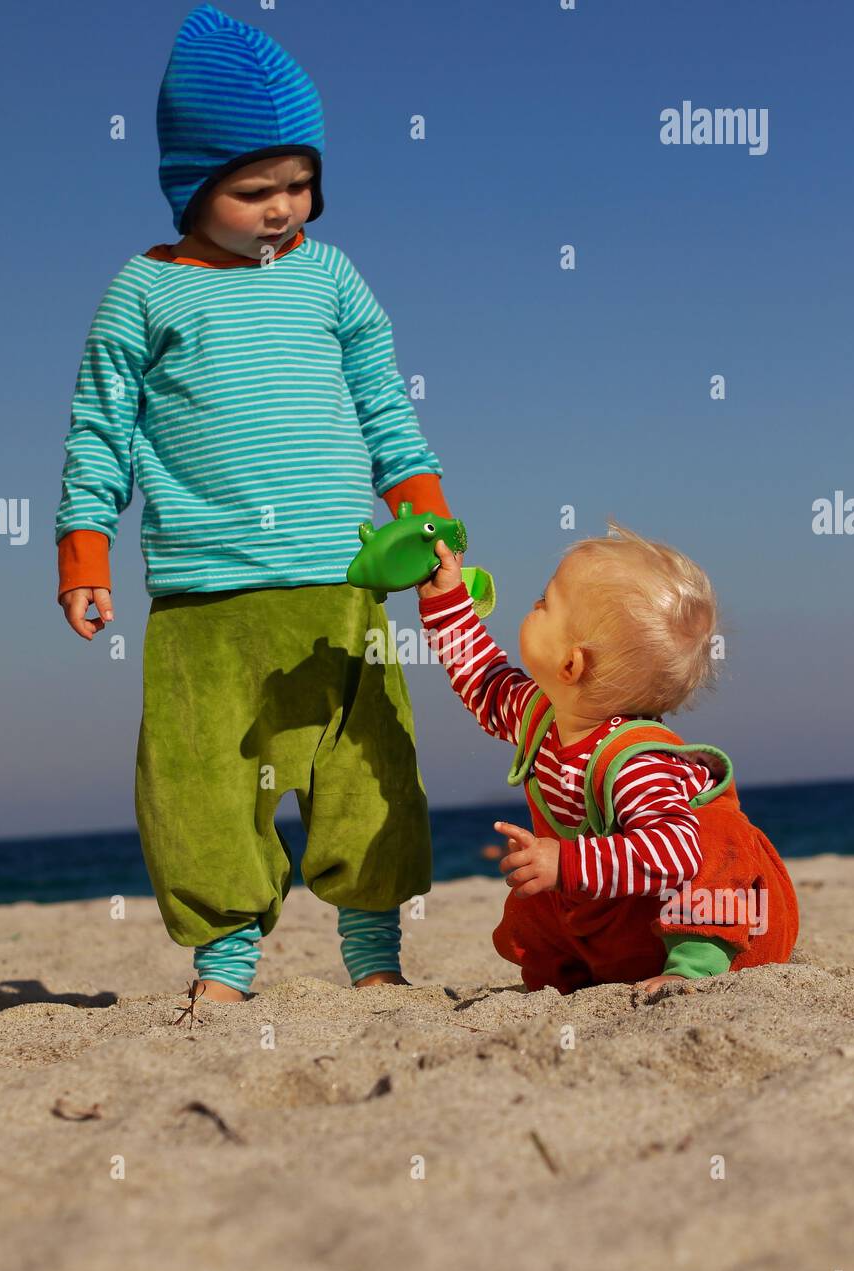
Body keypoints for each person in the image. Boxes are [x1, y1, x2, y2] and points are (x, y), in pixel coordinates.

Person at [55, 5, 452, 1004]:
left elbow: (386, 408)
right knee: (200, 787)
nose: (284, 207)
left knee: (368, 778)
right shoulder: (144, 292)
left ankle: (374, 959)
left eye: (300, 182)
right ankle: (225, 962)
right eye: (253, 189)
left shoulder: (331, 277)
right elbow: (99, 428)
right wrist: (84, 549)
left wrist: (428, 513)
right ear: (191, 185)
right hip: (204, 592)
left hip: (340, 578)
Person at [417, 524, 799, 996]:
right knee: (533, 898)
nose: (532, 606)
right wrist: (447, 601)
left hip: (730, 931)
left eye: (545, 603)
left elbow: (674, 853)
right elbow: (484, 680)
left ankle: (694, 970)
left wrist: (569, 862)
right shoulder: (541, 717)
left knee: (716, 836)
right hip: (626, 922)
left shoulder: (634, 761)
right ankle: (569, 982)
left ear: (571, 665)